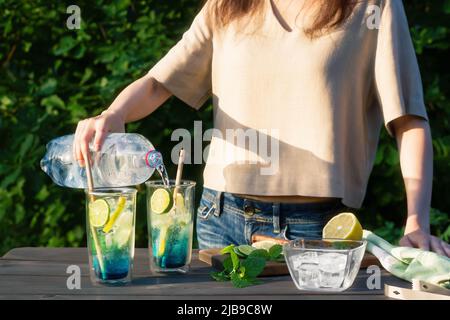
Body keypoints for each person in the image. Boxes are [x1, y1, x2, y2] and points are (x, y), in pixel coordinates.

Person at [73, 0, 450, 256]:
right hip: (218, 218)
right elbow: (160, 82)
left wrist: (416, 220)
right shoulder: (228, 5)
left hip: (318, 229)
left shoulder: (374, 7)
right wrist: (114, 113)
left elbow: (409, 120)